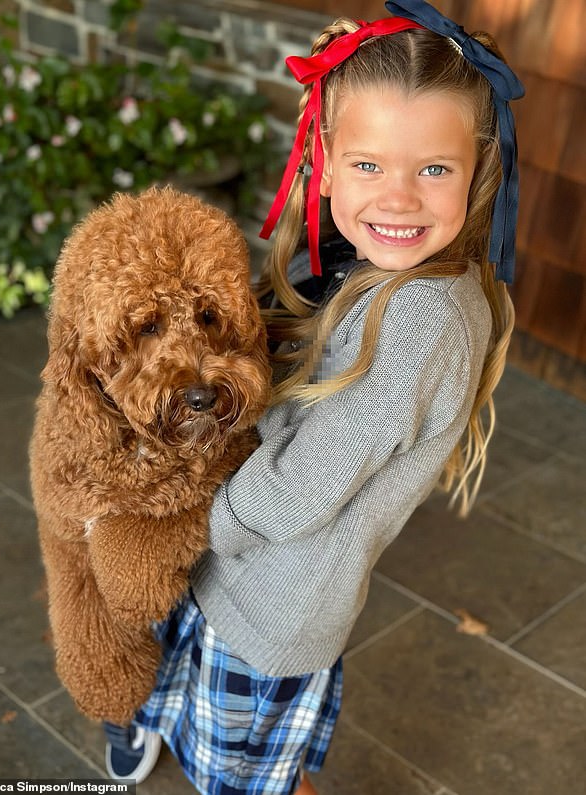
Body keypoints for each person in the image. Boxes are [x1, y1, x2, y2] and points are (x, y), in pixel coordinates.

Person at [103, 1, 524, 792]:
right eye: (369, 164)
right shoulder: (389, 273)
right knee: (214, 718)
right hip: (247, 581)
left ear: (479, 170)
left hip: (269, 605)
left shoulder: (425, 314)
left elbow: (303, 483)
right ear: (326, 162)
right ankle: (146, 717)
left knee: (246, 774)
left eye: (433, 169)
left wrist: (197, 523)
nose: (397, 198)